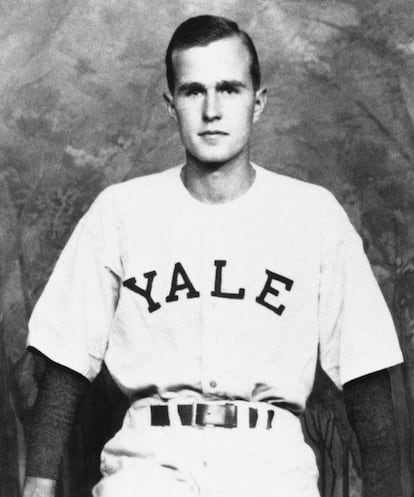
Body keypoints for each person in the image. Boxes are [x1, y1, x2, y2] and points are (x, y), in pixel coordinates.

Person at [23, 15, 404, 497]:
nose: (211, 110)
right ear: (170, 105)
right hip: (149, 461)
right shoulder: (120, 211)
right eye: (192, 91)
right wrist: (37, 484)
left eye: (229, 89)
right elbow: (66, 360)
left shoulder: (312, 214)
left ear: (258, 102)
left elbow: (365, 367)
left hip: (270, 464)